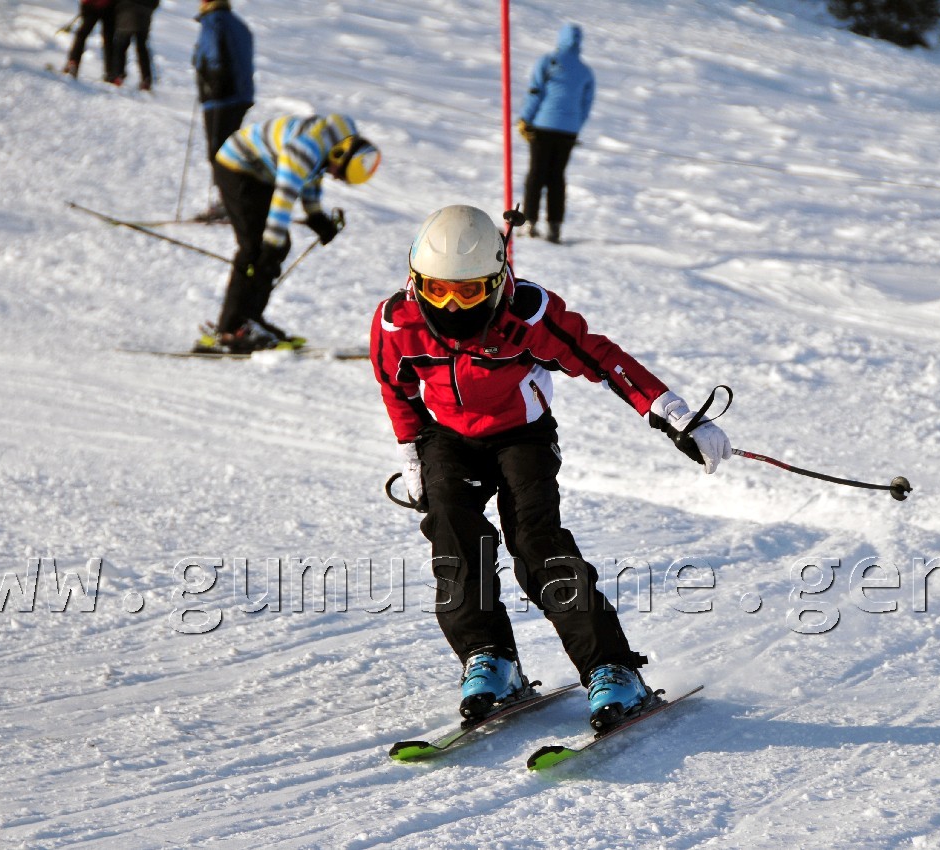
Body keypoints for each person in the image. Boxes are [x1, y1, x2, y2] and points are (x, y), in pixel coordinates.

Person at [370, 205, 731, 730]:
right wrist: (412, 455)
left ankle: (612, 668)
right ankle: (491, 659)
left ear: (496, 282)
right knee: (453, 532)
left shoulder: (528, 315)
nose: (450, 304)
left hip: (522, 435)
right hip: (446, 436)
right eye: (437, 289)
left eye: (468, 291)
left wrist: (674, 414)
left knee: (536, 541)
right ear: (414, 280)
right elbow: (396, 388)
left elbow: (602, 357)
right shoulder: (397, 322)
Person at [193, 113, 381, 354]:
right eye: (338, 172)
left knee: (272, 248)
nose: (334, 176)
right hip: (237, 166)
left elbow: (314, 171)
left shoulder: (336, 141)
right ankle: (231, 329)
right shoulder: (303, 151)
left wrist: (315, 214)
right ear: (339, 154)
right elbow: (284, 198)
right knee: (255, 248)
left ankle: (250, 320)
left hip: (261, 171)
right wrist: (270, 247)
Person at [517, 23, 595, 244]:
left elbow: (535, 92)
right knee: (556, 178)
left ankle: (529, 223)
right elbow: (586, 104)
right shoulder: (585, 71)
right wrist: (574, 126)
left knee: (536, 175)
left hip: (542, 126)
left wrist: (525, 119)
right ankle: (555, 227)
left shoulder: (549, 61)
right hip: (568, 132)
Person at [192, 0, 254, 222]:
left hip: (220, 97)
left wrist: (211, 79)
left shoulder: (213, 21)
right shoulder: (239, 24)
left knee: (218, 153)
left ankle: (228, 204)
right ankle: (238, 201)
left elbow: (214, 52)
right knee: (231, 150)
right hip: (240, 95)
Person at [110, 0, 159, 90]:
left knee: (121, 46)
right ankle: (146, 78)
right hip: (144, 14)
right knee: (142, 47)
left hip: (126, 12)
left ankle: (118, 75)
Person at [63, 0, 115, 81]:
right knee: (108, 40)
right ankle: (111, 73)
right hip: (105, 5)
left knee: (82, 34)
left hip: (95, 5)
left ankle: (73, 63)